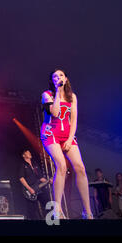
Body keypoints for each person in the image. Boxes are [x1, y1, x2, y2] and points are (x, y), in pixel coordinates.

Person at [40, 69, 93, 219]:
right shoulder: (47, 95)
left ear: (66, 78)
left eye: (61, 75)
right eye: (55, 76)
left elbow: (74, 120)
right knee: (62, 166)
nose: (58, 78)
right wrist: (58, 91)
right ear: (53, 81)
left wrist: (70, 139)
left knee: (80, 167)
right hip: (50, 133)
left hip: (67, 134)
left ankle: (87, 212)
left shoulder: (72, 97)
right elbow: (55, 113)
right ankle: (57, 209)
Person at [18, 149, 52, 220]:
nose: (30, 153)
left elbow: (40, 177)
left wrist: (49, 181)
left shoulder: (34, 164)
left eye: (29, 152)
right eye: (27, 152)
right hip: (30, 190)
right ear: (23, 155)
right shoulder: (22, 165)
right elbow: (21, 178)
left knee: (49, 205)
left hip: (39, 188)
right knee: (32, 211)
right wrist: (29, 189)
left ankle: (52, 220)